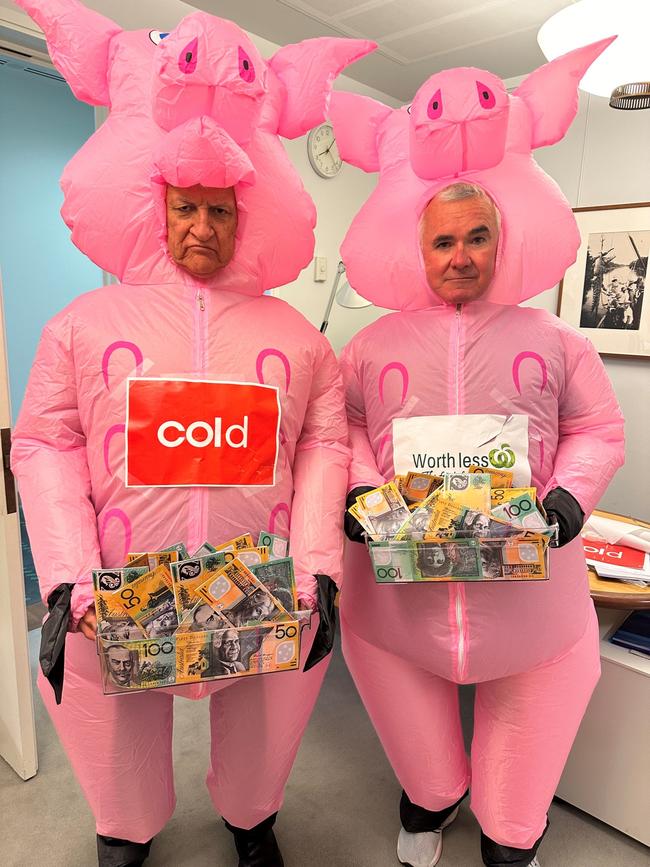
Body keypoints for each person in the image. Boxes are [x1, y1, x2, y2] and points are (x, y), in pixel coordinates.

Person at [11, 5, 371, 865]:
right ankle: (124, 829)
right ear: (157, 207)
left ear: (246, 215)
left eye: (219, 209)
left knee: (263, 714)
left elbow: (325, 444)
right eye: (186, 207)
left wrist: (319, 565)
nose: (202, 228)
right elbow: (43, 443)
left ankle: (252, 819)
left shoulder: (297, 337)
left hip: (259, 580)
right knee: (110, 715)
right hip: (121, 586)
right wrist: (63, 575)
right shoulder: (82, 325)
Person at [332, 39, 623, 867]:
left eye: (476, 237)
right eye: (442, 241)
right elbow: (342, 425)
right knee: (429, 775)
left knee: (510, 822)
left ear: (502, 240)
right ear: (416, 249)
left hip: (532, 605)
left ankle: (509, 833)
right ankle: (428, 801)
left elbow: (598, 429)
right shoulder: (371, 344)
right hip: (398, 602)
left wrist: (569, 495)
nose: (459, 256)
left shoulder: (558, 342)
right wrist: (358, 487)